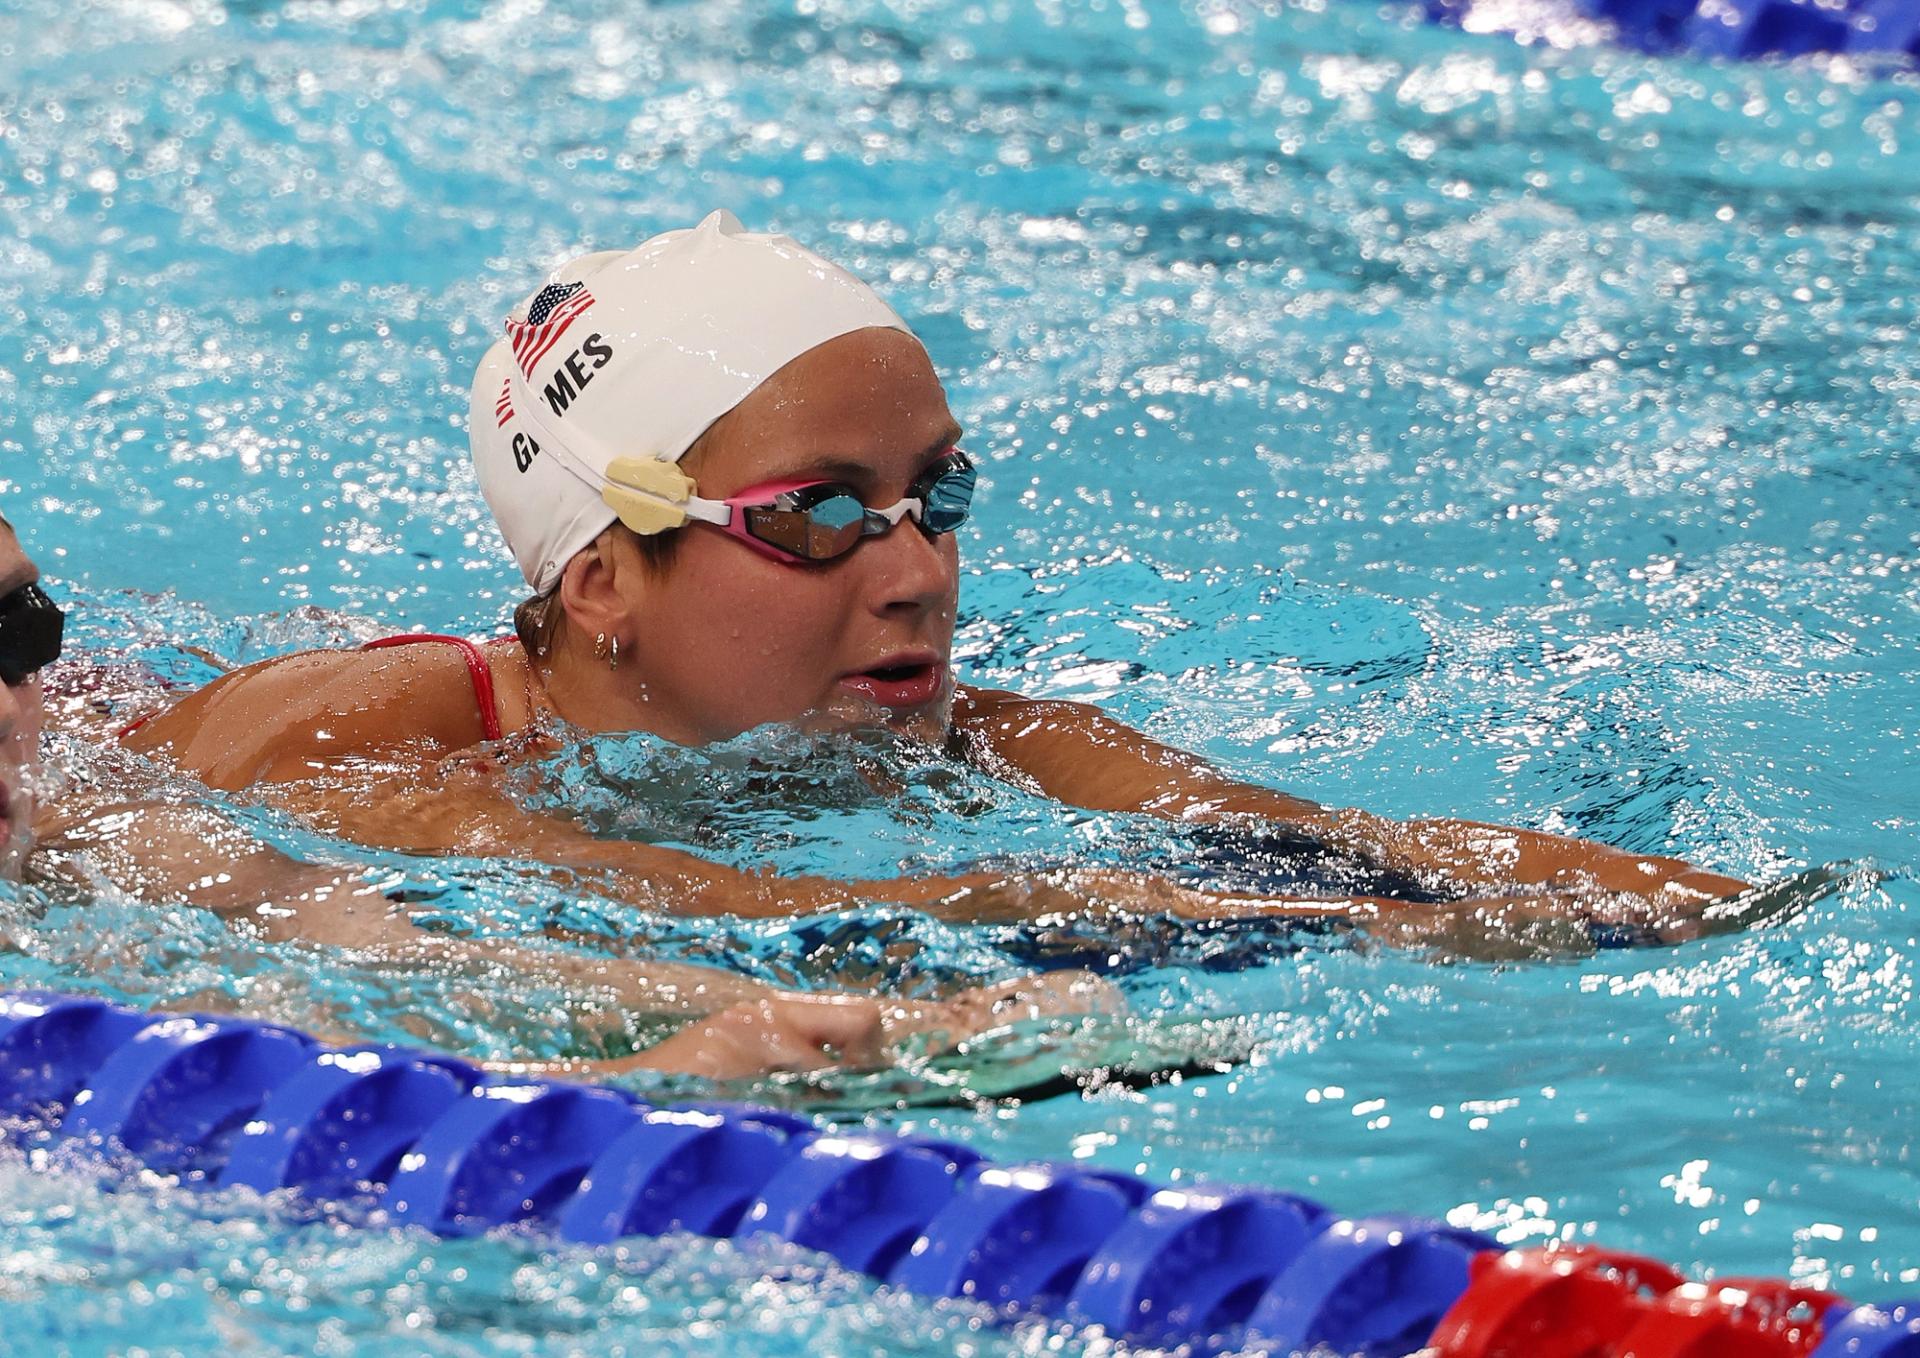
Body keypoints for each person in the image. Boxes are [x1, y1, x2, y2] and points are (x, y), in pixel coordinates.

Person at [114, 212, 1752, 952]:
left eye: (935, 494)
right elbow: (702, 911)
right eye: (824, 515)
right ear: (606, 578)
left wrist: (1721, 906)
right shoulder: (366, 748)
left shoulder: (964, 731)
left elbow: (1332, 838)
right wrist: (1091, 909)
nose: (919, 571)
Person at [3, 513, 1118, 1082]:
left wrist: (831, 1024)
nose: (12, 709)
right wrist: (651, 1086)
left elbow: (390, 959)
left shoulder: (81, 803)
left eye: (17, 633)